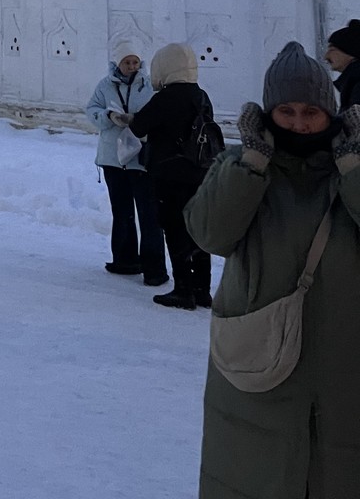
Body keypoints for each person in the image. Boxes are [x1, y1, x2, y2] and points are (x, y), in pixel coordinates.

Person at [186, 42, 360, 499]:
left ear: (331, 114)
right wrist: (253, 162)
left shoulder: (350, 174)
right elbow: (208, 233)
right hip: (256, 376)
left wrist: (354, 166)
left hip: (342, 377)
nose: (300, 123)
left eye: (311, 111)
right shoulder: (242, 168)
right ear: (268, 114)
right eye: (286, 111)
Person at [128, 42, 213, 309]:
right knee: (198, 230)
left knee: (175, 229)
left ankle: (182, 289)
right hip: (201, 172)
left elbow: (139, 125)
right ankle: (202, 289)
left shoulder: (166, 97)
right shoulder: (201, 95)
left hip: (170, 173)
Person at [86, 39, 168, 285]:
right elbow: (92, 110)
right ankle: (125, 261)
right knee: (122, 212)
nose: (131, 66)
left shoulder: (149, 86)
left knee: (149, 214)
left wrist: (139, 121)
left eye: (134, 62)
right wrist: (109, 116)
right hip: (113, 159)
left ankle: (154, 269)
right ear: (117, 64)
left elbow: (159, 114)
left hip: (141, 159)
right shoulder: (105, 86)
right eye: (126, 62)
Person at [324, 19, 360, 110]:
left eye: (332, 49)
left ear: (350, 52)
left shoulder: (357, 86)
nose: (326, 57)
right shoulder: (352, 83)